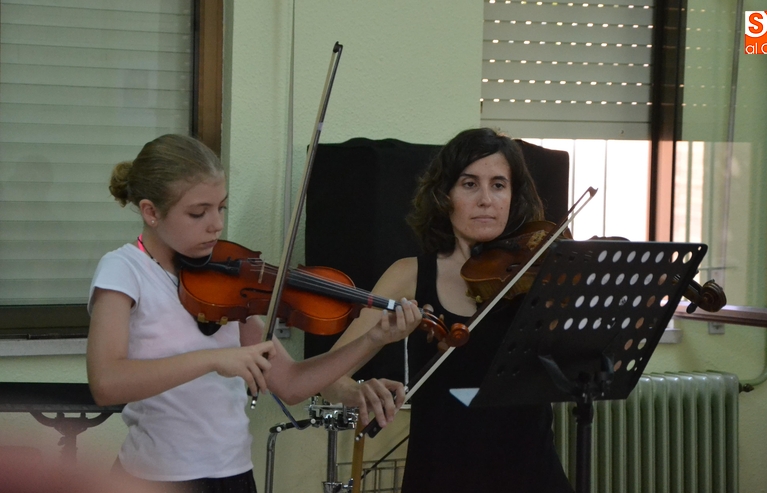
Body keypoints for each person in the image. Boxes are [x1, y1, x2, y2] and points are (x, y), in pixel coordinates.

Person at [86, 134, 422, 493]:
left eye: (221, 208)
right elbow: (107, 383)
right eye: (198, 213)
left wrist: (373, 339)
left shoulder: (225, 277)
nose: (216, 224)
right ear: (151, 212)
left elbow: (291, 384)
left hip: (233, 475)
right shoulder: (124, 270)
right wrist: (213, 359)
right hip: (154, 479)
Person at [320, 128, 574, 492]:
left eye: (498, 185)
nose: (486, 200)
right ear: (445, 196)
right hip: (442, 473)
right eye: (470, 184)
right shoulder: (408, 275)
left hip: (531, 473)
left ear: (513, 197)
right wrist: (357, 391)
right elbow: (328, 377)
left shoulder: (538, 272)